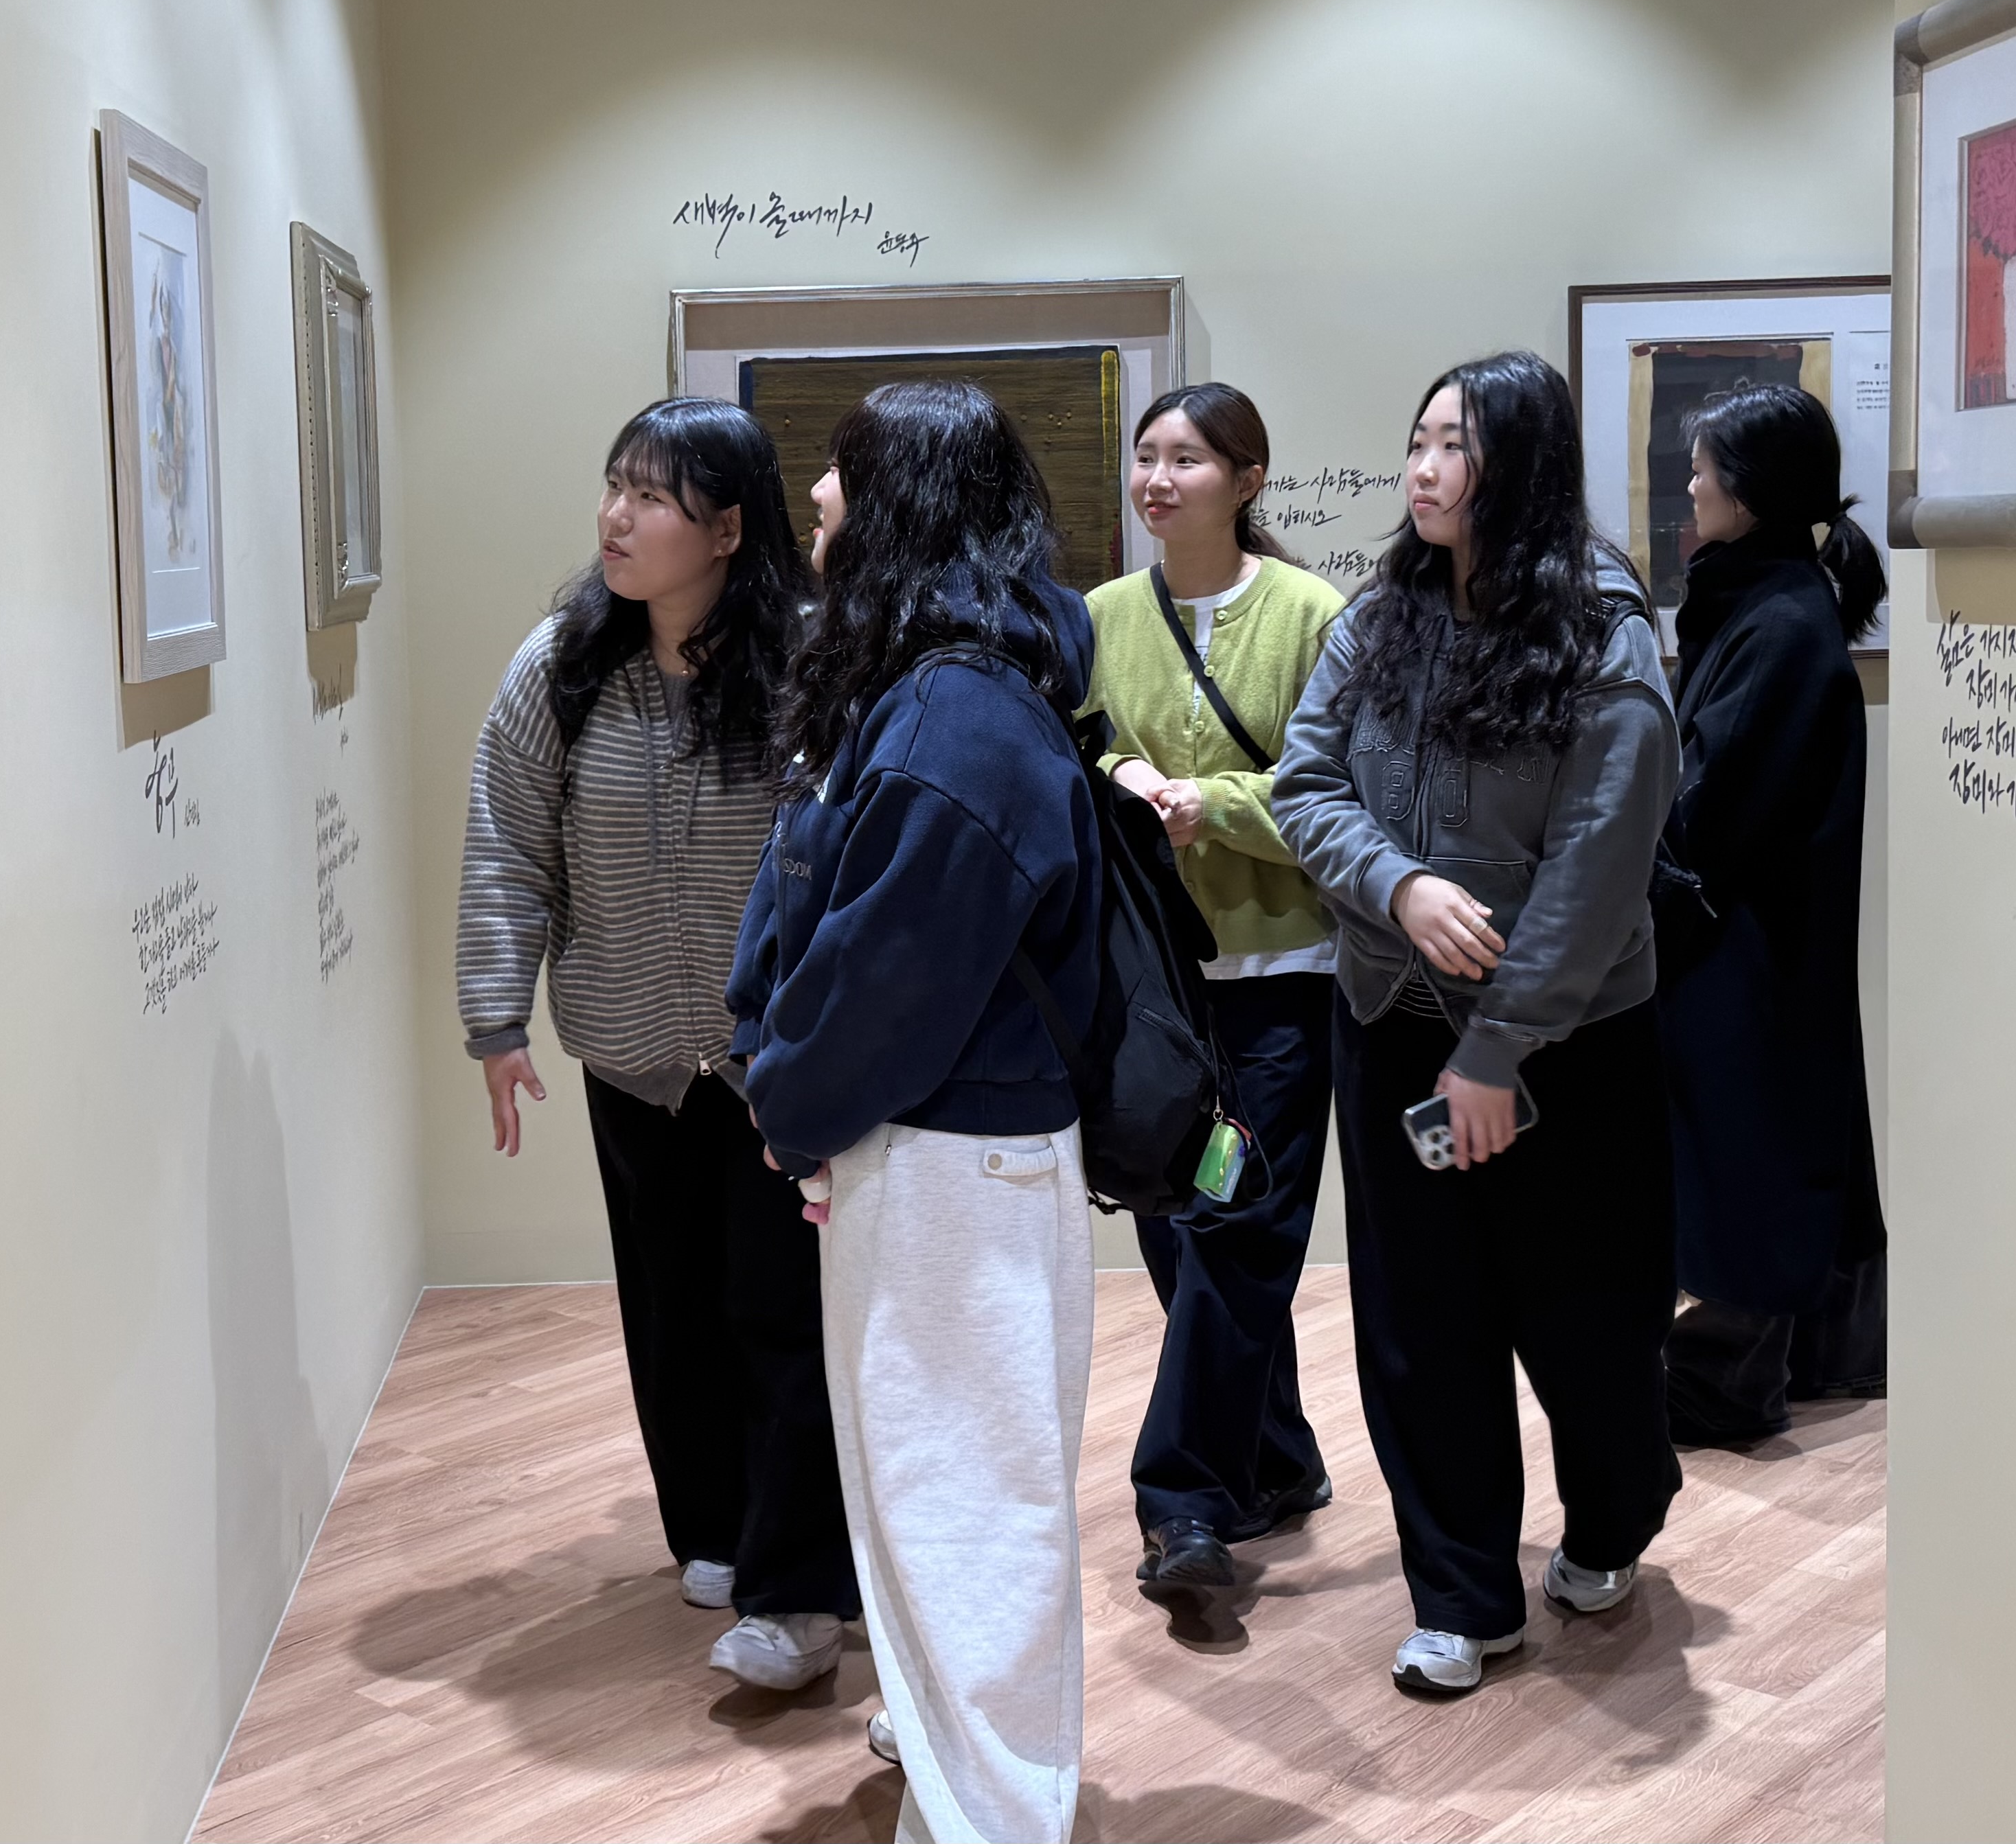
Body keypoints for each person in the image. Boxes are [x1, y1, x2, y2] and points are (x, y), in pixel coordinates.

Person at [1270, 350, 1684, 1701]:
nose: (1426, 466)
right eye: (1420, 439)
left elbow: (1597, 863)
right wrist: (1401, 881)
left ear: (1525, 466)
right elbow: (1306, 781)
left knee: (1588, 1325)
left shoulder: (1607, 632)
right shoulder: (1376, 616)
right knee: (1417, 1321)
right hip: (1390, 1018)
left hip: (1570, 1047)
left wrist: (1497, 1050)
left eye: (1459, 443)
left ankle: (1613, 1522)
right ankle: (1462, 1591)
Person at [726, 380, 1102, 1844]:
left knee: (968, 1503)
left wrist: (789, 1088)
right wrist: (792, 1075)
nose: (814, 498)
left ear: (896, 509)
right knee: (924, 1484)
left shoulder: (958, 720)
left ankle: (997, 1813)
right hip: (925, 1153)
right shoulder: (926, 684)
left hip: (959, 1162)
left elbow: (888, 979)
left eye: (839, 475)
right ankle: (958, 1755)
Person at [455, 395, 858, 1692]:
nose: (615, 518)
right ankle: (716, 1529)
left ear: (730, 527)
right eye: (613, 486)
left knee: (781, 1311)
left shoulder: (812, 665)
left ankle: (801, 1585)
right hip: (630, 1052)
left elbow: (853, 862)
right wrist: (495, 1016)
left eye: (653, 495)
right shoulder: (562, 665)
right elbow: (508, 843)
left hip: (772, 1068)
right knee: (671, 1305)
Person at [1079, 382, 1349, 1595]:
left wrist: (1216, 806)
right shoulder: (1097, 618)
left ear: (1247, 480)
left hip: (1286, 977)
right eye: (1146, 457)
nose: (1156, 480)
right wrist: (1123, 769)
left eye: (1185, 459)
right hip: (1153, 991)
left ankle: (1183, 1499)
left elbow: (1341, 789)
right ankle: (1278, 1456)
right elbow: (1070, 751)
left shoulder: (1315, 614)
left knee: (1241, 1233)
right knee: (1179, 1236)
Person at [1653, 384, 1890, 1446]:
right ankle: (1819, 1359)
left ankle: (1729, 1379)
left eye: (1705, 467)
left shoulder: (1780, 623)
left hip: (1742, 947)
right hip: (1753, 942)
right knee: (1782, 1138)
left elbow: (1710, 809)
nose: (1691, 483)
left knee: (1746, 1151)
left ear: (1748, 491)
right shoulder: (1767, 603)